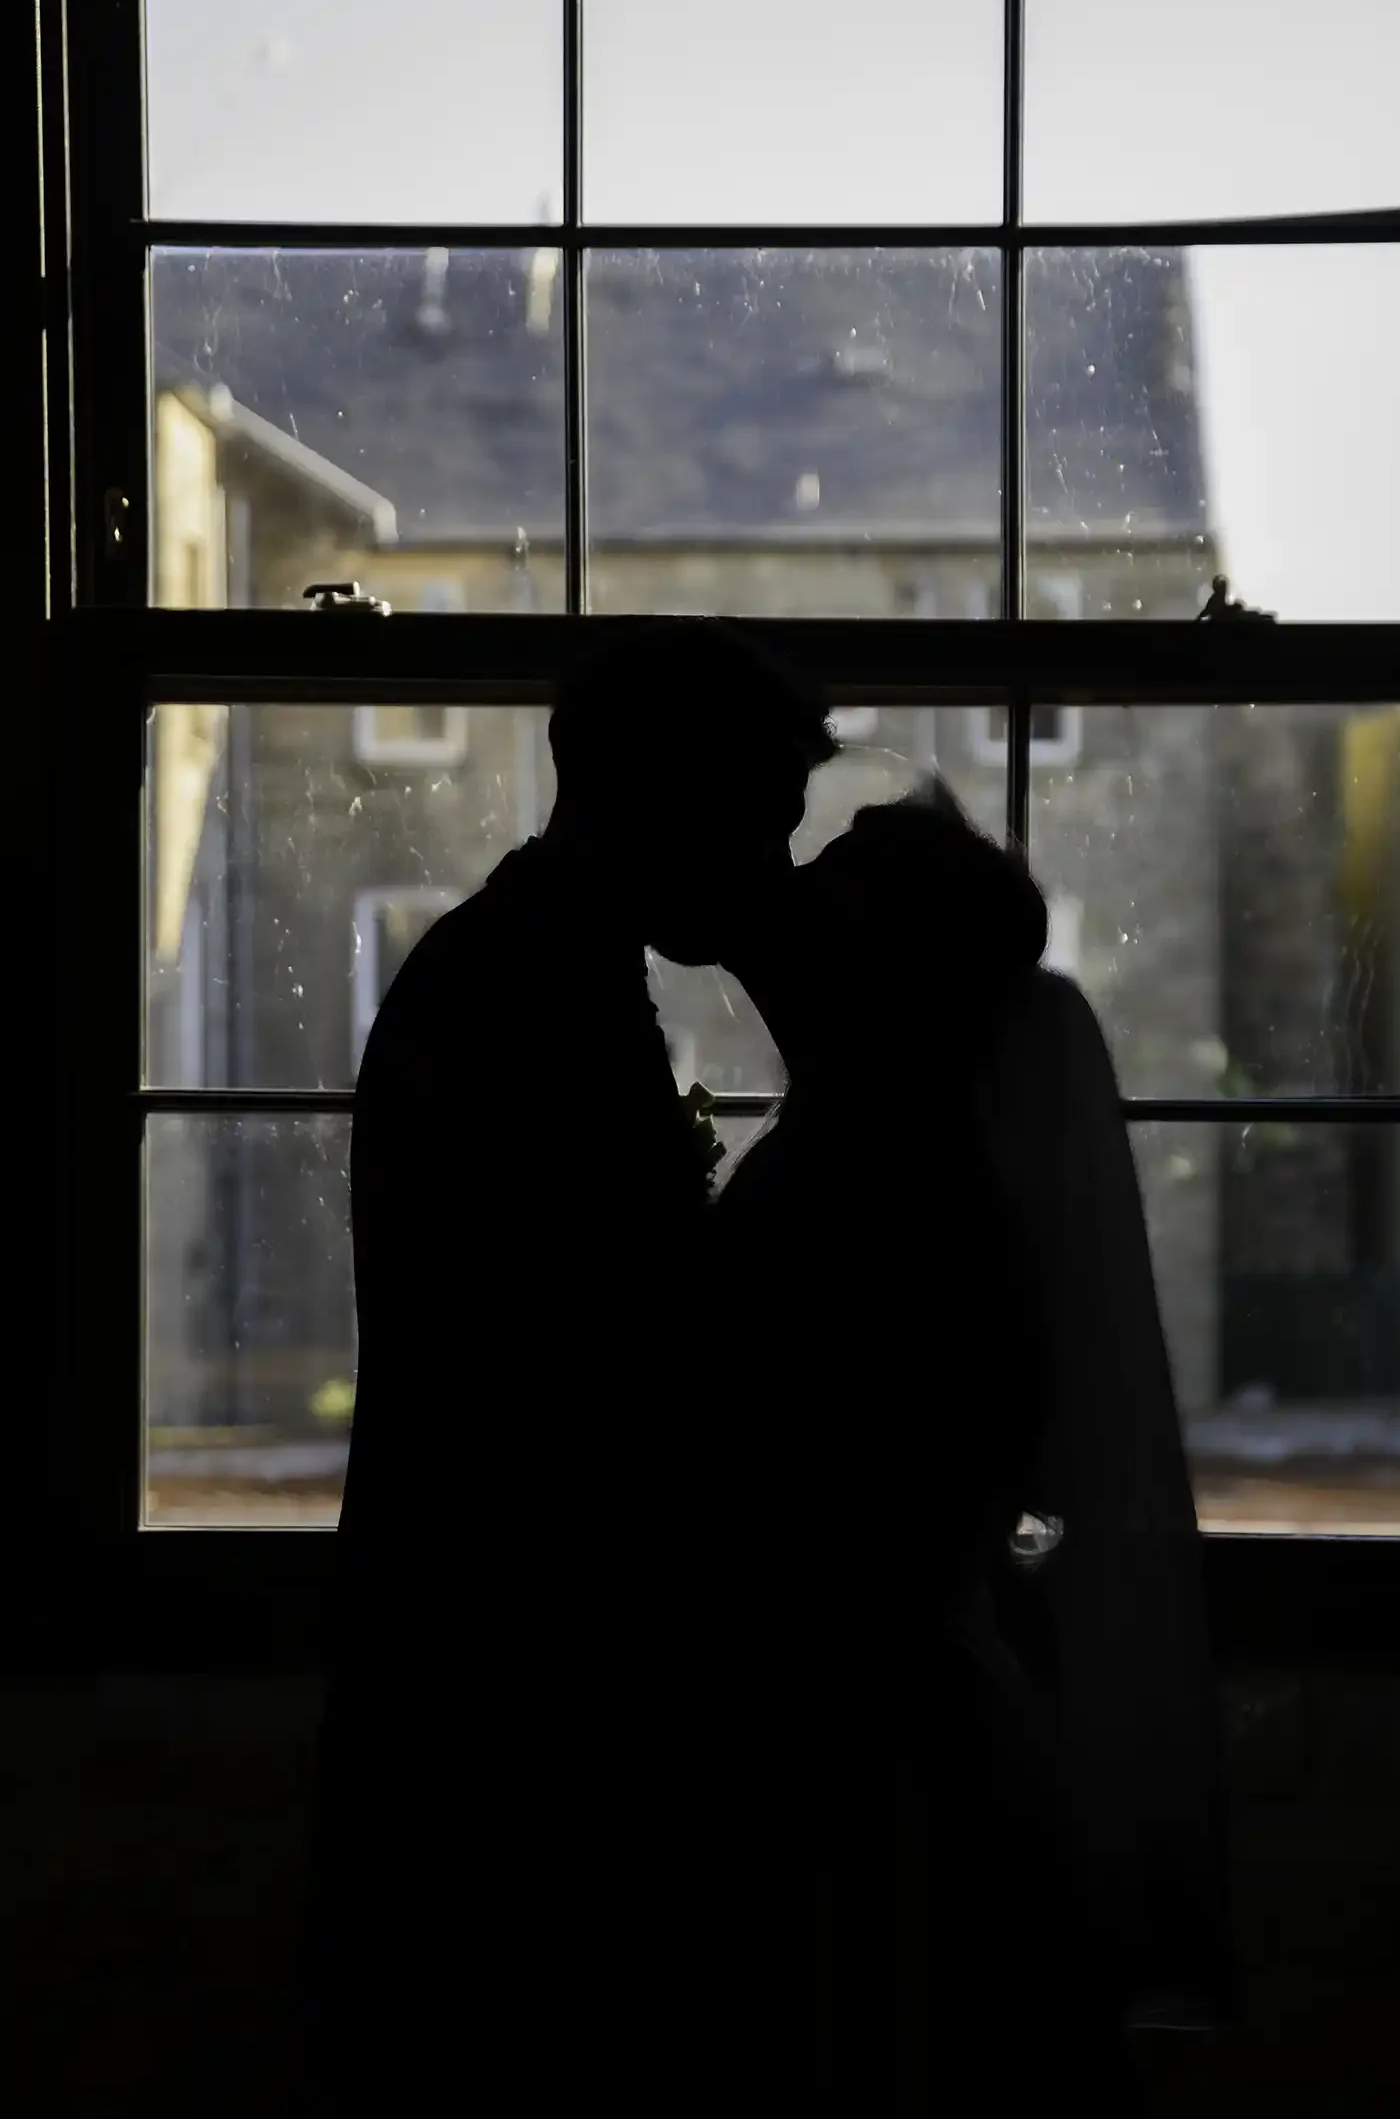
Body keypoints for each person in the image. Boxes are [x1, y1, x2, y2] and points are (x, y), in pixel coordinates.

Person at [298, 619, 838, 2114]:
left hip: (491, 1663)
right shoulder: (530, 1000)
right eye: (762, 824)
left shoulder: (529, 968)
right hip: (515, 1697)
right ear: (668, 797)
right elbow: (616, 1370)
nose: (775, 871)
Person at [716, 777, 1234, 2113]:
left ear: (882, 967)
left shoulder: (880, 1179)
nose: (786, 909)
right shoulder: (914, 1158)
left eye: (825, 895)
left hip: (859, 1742)